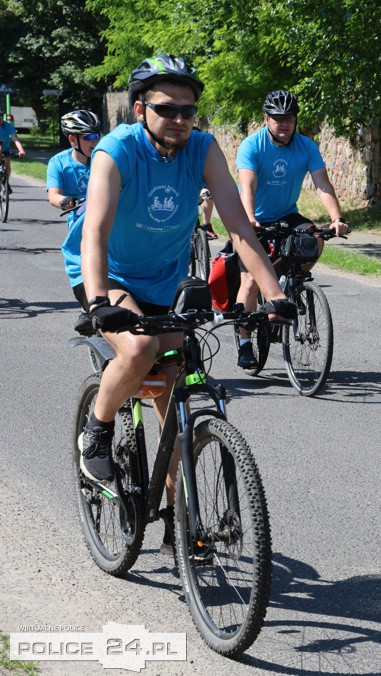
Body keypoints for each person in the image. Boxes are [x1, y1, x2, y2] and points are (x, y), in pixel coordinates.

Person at [65, 55, 295, 553]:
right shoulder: (115, 150)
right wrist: (100, 299)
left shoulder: (203, 149)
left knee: (175, 382)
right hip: (108, 274)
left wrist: (274, 292)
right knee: (140, 348)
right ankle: (97, 432)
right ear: (140, 107)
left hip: (165, 278)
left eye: (189, 111)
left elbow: (239, 226)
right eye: (167, 109)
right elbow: (95, 233)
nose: (180, 120)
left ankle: (181, 522)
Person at [233, 89, 350, 369]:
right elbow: (247, 184)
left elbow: (322, 184)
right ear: (266, 119)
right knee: (249, 279)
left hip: (287, 213)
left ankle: (290, 283)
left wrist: (336, 218)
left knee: (315, 238)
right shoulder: (252, 145)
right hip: (252, 216)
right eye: (278, 118)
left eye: (289, 118)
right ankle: (246, 342)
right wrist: (249, 218)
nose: (284, 124)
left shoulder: (306, 146)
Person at [47, 110, 102, 221]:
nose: (96, 141)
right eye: (89, 137)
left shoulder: (105, 158)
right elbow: (53, 196)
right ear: (73, 140)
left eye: (97, 135)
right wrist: (67, 201)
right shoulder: (58, 162)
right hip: (79, 219)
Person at [0, 114, 27, 193]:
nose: (0, 120)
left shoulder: (8, 126)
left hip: (5, 150)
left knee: (7, 162)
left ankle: (6, 182)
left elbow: (15, 139)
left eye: (1, 118)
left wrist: (21, 150)